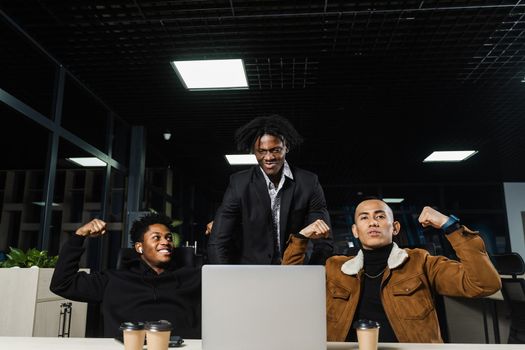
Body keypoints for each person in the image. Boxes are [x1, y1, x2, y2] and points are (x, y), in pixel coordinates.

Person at [283, 198, 501, 343]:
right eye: (364, 218)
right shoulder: (335, 268)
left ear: (395, 227)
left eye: (380, 216)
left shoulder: (421, 262)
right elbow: (287, 288)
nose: (373, 223)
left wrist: (449, 226)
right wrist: (301, 238)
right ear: (355, 231)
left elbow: (484, 284)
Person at [50, 213, 201, 339]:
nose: (166, 242)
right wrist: (79, 235)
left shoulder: (191, 278)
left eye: (169, 238)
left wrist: (222, 235)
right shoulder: (113, 279)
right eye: (156, 237)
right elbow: (62, 283)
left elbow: (223, 286)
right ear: (139, 247)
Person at [207, 114, 332, 264]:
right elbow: (218, 240)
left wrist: (311, 274)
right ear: (254, 150)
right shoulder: (239, 184)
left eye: (275, 150)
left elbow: (325, 241)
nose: (268, 157)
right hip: (251, 273)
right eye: (261, 151)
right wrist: (223, 280)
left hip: (294, 270)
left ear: (286, 147)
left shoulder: (309, 183)